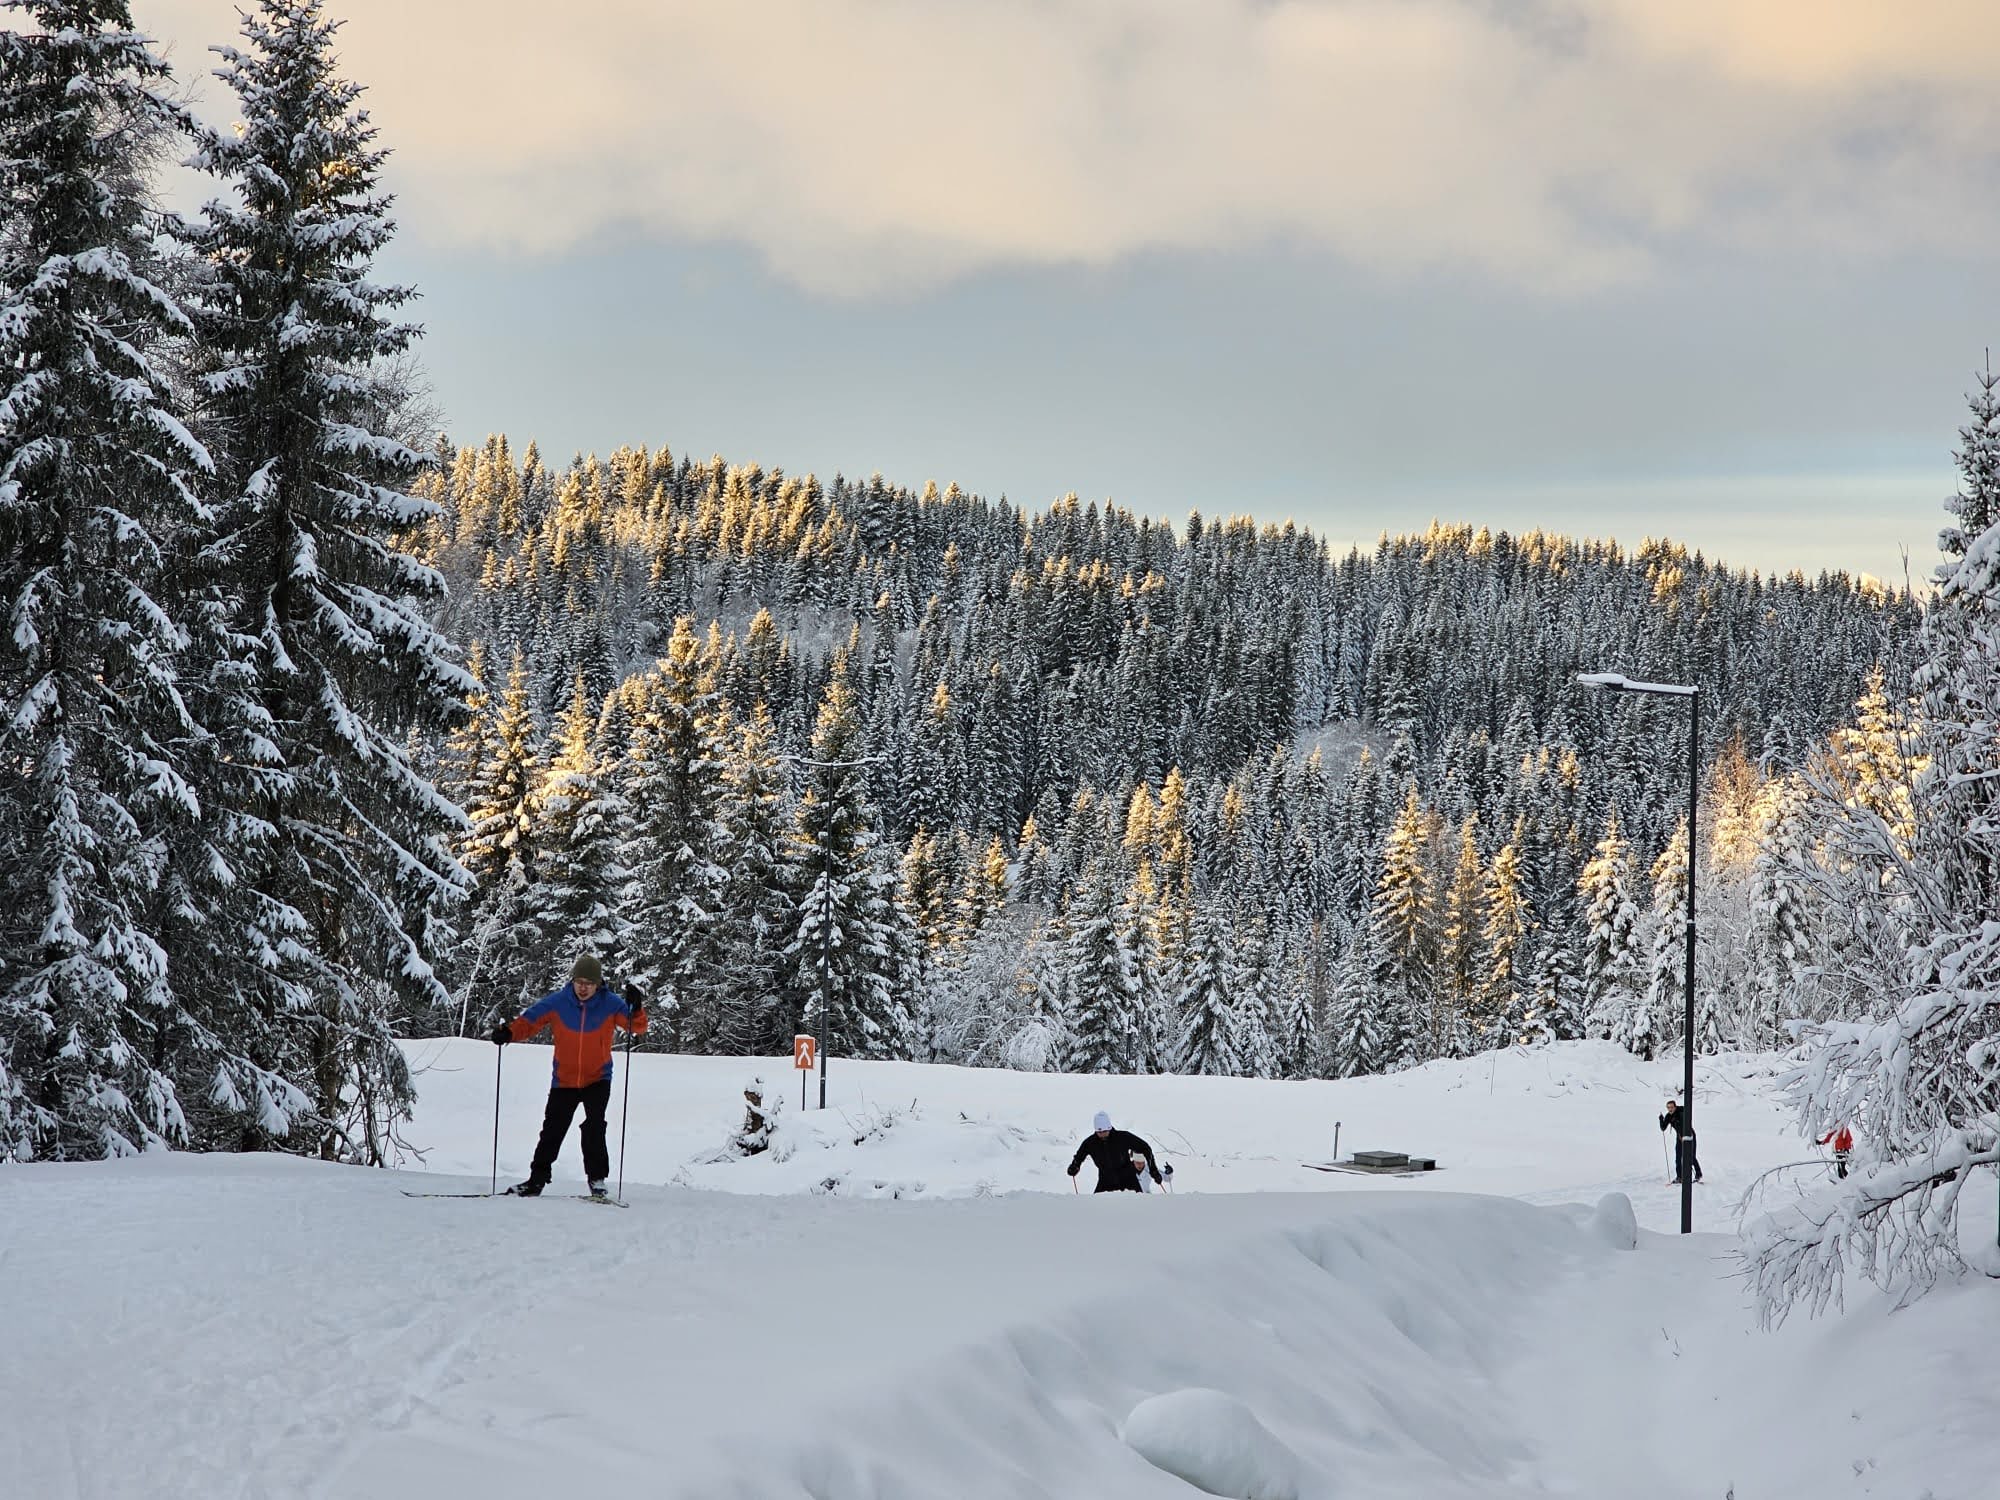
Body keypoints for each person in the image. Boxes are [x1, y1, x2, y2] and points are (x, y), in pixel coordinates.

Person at [491, 955, 646, 1198]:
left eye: (589, 983)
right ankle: (536, 1181)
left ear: (598, 984)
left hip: (598, 1077)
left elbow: (636, 1028)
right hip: (564, 1079)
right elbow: (529, 1022)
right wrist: (508, 1033)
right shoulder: (558, 1002)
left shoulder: (610, 1003)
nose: (583, 987)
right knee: (552, 1129)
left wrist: (636, 1008)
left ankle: (597, 1181)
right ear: (573, 981)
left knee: (595, 1126)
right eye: (579, 982)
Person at [1067, 1111, 1162, 1193]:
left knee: (1138, 1208)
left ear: (1109, 1127)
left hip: (1128, 1180)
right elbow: (1079, 1157)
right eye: (1099, 1132)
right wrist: (1075, 1166)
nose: (1102, 1134)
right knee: (1096, 1210)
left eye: (1105, 1131)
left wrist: (1153, 1170)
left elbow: (1146, 1148)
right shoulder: (1090, 1143)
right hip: (1105, 1181)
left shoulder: (1123, 1137)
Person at [1659, 1097, 1702, 1185]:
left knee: (1690, 1157)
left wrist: (1684, 1136)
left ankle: (1698, 1174)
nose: (1670, 1109)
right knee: (1678, 1158)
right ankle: (1679, 1177)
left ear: (1675, 1107)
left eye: (1671, 1107)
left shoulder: (1681, 1112)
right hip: (1679, 1138)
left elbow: (1684, 1122)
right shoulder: (1668, 1116)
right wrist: (1661, 1119)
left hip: (1689, 1135)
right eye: (1668, 1107)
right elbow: (1663, 1128)